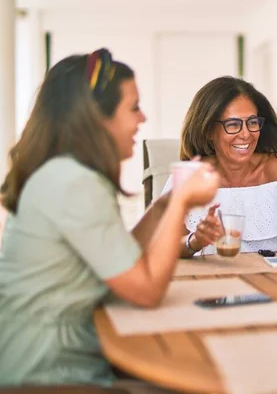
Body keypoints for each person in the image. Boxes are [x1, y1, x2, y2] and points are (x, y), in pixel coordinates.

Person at [0, 49, 219, 386]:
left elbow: (120, 260)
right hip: (46, 372)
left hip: (59, 354)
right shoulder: (73, 183)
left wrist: (165, 204)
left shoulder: (67, 172)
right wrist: (183, 203)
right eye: (133, 107)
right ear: (96, 118)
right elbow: (145, 291)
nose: (142, 118)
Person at [164, 76, 277, 266]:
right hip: (210, 285)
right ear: (208, 131)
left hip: (271, 284)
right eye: (233, 125)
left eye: (252, 122)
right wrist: (195, 240)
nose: (246, 134)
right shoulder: (189, 178)